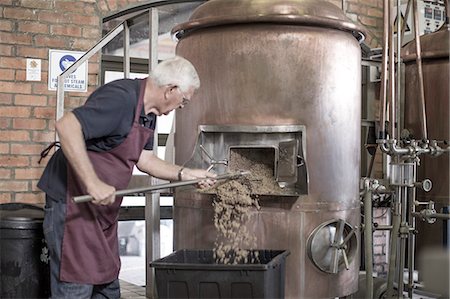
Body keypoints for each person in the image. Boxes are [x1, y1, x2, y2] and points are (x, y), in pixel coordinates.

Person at [38, 56, 216, 298]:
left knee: (108, 288)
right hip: (73, 208)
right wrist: (93, 183)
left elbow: (145, 160)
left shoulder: (149, 113)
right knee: (75, 288)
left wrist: (186, 174)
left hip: (101, 214)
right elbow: (67, 126)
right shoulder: (121, 98)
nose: (181, 106)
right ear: (170, 90)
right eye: (183, 101)